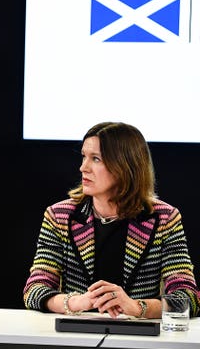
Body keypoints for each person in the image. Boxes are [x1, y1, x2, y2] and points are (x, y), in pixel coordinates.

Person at [23, 121, 199, 321]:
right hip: (72, 342)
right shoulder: (59, 216)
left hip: (136, 345)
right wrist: (77, 302)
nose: (83, 168)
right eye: (84, 157)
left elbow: (188, 299)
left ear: (125, 166)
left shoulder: (165, 218)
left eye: (96, 159)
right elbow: (34, 291)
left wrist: (136, 307)